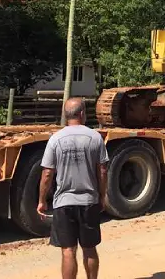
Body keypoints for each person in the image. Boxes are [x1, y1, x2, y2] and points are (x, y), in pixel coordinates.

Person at [38, 98, 109, 279]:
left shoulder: (55, 139)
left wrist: (41, 201)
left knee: (68, 251)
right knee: (89, 249)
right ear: (83, 113)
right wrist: (102, 196)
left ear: (65, 115)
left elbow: (47, 173)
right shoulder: (94, 137)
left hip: (64, 203)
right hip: (88, 201)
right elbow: (102, 170)